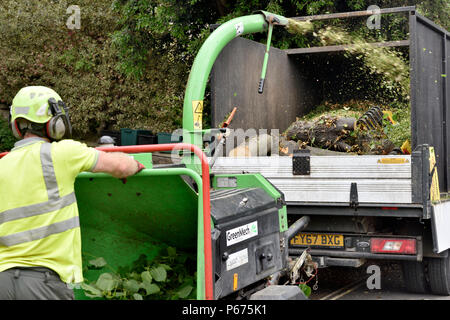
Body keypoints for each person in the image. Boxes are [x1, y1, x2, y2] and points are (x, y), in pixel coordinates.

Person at [0, 86, 144, 300]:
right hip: (44, 283)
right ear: (56, 123)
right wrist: (136, 164)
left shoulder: (3, 164)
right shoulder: (63, 153)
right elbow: (121, 167)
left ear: (16, 125)